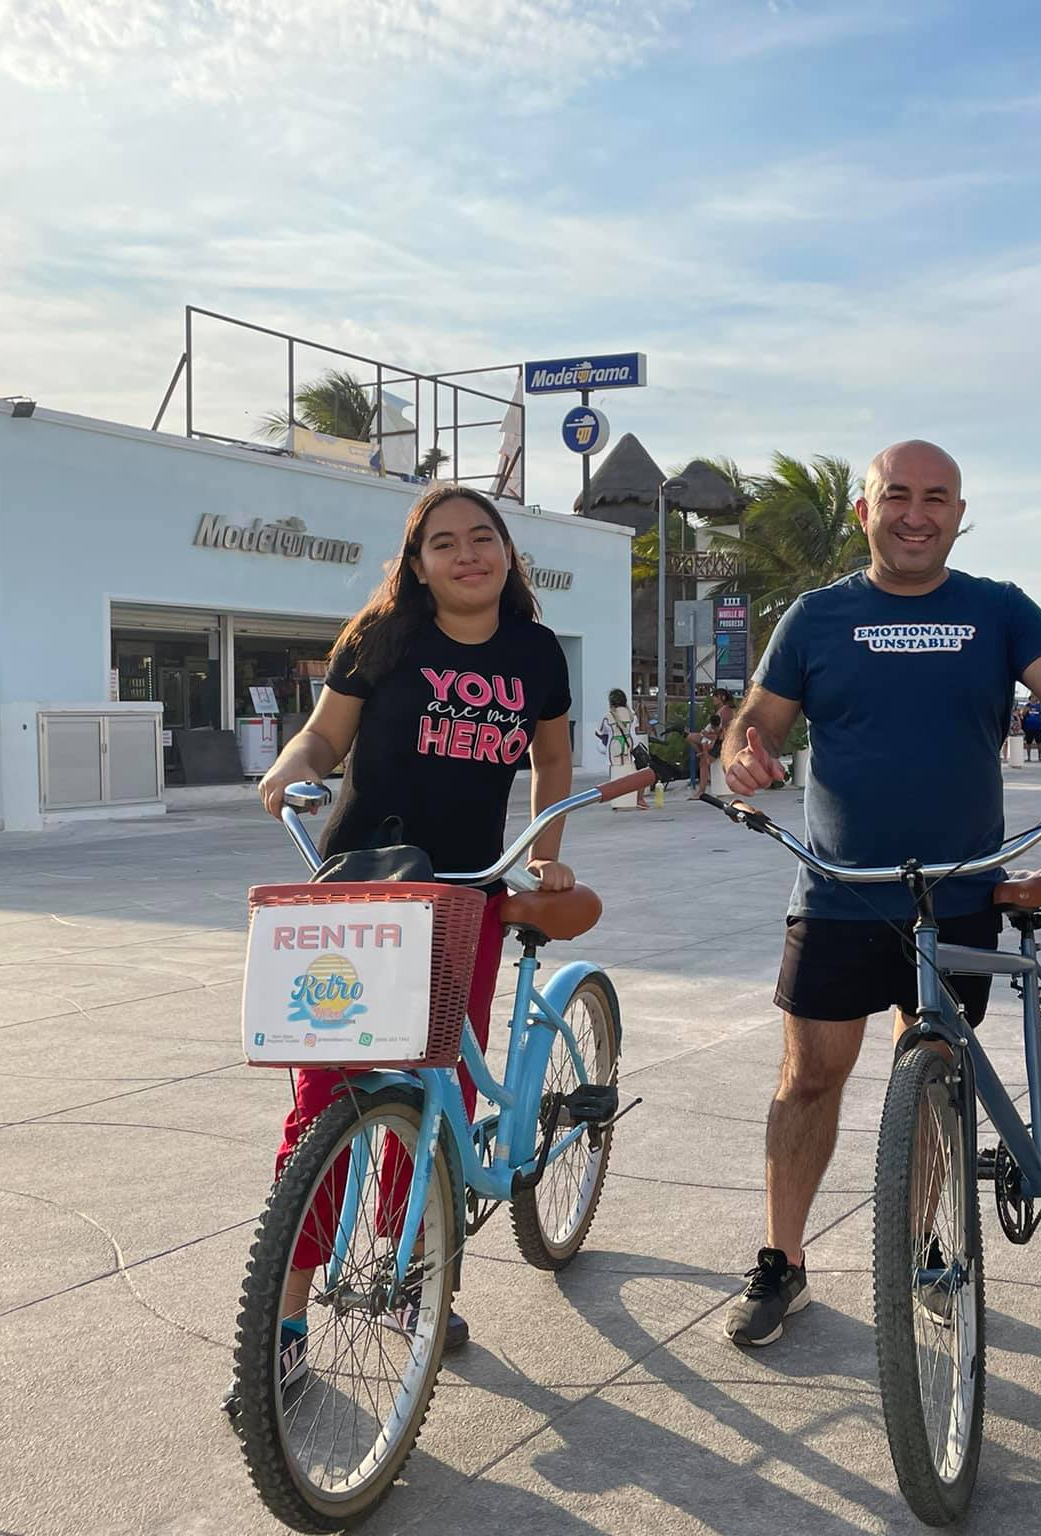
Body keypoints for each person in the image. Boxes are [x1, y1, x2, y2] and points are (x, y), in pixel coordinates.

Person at [715, 439, 1041, 1347]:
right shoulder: (815, 616)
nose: (916, 513)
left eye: (937, 497)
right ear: (864, 510)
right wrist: (742, 755)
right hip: (841, 889)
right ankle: (782, 1261)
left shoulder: (996, 610)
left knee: (934, 1075)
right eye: (897, 496)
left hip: (957, 890)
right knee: (809, 1079)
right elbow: (753, 726)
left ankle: (927, 1245)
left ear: (961, 513)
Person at [241, 483, 577, 1405]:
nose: (466, 554)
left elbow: (552, 762)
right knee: (321, 1110)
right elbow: (322, 737)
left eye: (483, 538)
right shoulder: (382, 636)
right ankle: (288, 1321)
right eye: (443, 543)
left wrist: (545, 859)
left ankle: (410, 1277)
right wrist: (291, 770)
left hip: (467, 891)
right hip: (358, 889)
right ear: (416, 560)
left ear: (507, 552)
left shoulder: (536, 652)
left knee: (439, 1088)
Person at [600, 688, 648, 810]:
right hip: (629, 749)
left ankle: (619, 803)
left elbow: (600, 732)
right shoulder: (632, 715)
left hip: (614, 750)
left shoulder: (608, 716)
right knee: (632, 774)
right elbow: (635, 731)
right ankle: (636, 800)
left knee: (616, 776)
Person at [693, 688, 736, 799]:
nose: (713, 699)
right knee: (692, 738)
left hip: (722, 742)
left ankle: (701, 792)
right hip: (716, 740)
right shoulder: (721, 710)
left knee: (703, 763)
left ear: (721, 698)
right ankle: (703, 753)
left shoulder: (726, 711)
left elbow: (722, 732)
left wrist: (708, 735)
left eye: (715, 697)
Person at [1022, 697, 1041, 761]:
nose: (1033, 699)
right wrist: (1026, 710)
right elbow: (1023, 715)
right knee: (1028, 742)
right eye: (1032, 698)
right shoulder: (1027, 706)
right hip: (1029, 727)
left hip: (1038, 727)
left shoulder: (1040, 706)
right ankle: (1028, 757)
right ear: (1030, 699)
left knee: (1039, 742)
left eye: (1034, 698)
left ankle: (1039, 757)